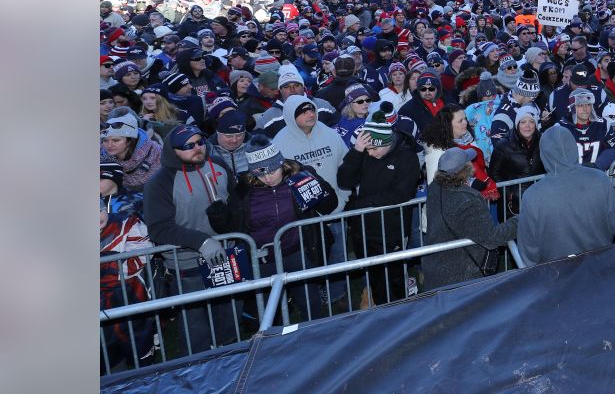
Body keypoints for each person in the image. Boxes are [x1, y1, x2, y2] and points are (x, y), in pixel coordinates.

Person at [206, 133, 338, 318]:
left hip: (298, 254)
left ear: (281, 163)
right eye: (260, 173)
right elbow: (230, 228)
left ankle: (315, 338)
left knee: (310, 305)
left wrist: (318, 189)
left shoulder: (300, 175)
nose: (268, 178)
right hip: (262, 261)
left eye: (272, 170)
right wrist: (217, 214)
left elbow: (329, 206)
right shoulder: (244, 189)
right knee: (268, 313)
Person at [142, 125, 241, 355]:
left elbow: (235, 200)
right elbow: (158, 229)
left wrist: (234, 223)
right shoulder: (159, 183)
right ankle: (199, 367)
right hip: (188, 263)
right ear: (172, 151)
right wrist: (201, 241)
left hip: (227, 254)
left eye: (200, 142)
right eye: (188, 145)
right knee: (194, 320)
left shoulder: (218, 165)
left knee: (229, 310)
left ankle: (232, 355)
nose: (197, 148)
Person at [336, 108, 421, 307]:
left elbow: (402, 193)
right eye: (368, 149)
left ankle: (399, 311)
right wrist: (357, 151)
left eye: (375, 149)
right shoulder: (365, 152)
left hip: (392, 228)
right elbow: (344, 180)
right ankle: (381, 311)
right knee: (374, 276)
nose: (371, 153)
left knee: (395, 275)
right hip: (365, 229)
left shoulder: (407, 157)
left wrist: (364, 204)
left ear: (388, 143)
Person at [517, 124, 615, 264]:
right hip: (602, 268)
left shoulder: (532, 196)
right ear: (573, 147)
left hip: (558, 276)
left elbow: (529, 252)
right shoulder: (599, 179)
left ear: (543, 153)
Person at [420, 148, 520, 291]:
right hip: (460, 278)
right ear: (465, 169)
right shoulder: (468, 200)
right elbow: (492, 238)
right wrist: (517, 222)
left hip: (435, 270)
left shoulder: (435, 187)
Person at [100, 189, 155, 373]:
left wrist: (107, 266)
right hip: (99, 305)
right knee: (110, 356)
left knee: (139, 349)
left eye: (99, 209)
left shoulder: (127, 223)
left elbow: (142, 255)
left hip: (131, 296)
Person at [100, 108, 164, 193]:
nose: (109, 145)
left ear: (130, 140)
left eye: (116, 140)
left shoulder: (155, 154)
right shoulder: (99, 156)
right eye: (105, 140)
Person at [561, 88, 615, 171]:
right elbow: (553, 154)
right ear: (573, 107)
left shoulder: (603, 125)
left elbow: (613, 148)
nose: (585, 109)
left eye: (588, 104)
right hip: (569, 179)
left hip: (597, 177)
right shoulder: (560, 128)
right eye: (581, 105)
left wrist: (597, 166)